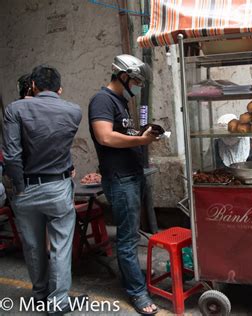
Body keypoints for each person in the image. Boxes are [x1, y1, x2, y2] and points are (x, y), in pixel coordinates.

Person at [2, 65, 85, 315]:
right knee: (60, 245)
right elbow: (59, 145)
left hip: (27, 186)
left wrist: (18, 187)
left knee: (33, 246)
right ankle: (58, 302)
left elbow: (12, 154)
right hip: (58, 186)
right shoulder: (74, 111)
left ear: (33, 86)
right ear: (59, 89)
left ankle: (39, 295)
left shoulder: (15, 109)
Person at [88, 54, 159, 315]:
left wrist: (144, 135)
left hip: (133, 174)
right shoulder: (102, 100)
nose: (139, 85)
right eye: (137, 80)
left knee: (131, 234)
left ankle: (134, 279)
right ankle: (137, 293)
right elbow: (105, 137)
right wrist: (140, 141)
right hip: (120, 178)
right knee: (127, 239)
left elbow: (124, 134)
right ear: (123, 76)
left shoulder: (121, 102)